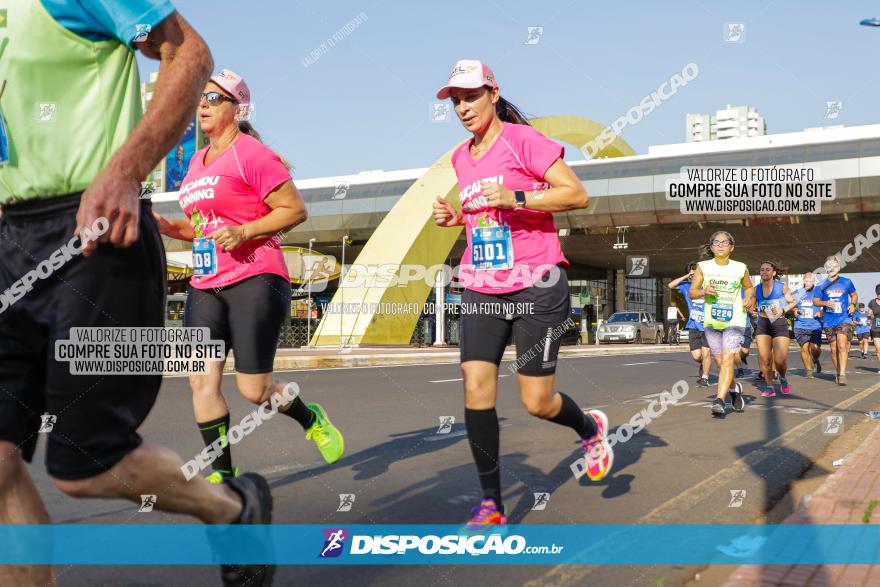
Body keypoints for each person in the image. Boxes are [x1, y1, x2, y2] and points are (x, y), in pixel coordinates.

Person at [0, 4, 273, 586]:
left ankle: (234, 510)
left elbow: (189, 52)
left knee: (84, 465)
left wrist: (126, 170)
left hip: (95, 228)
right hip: (8, 241)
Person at [432, 59, 612, 531]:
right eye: (456, 100)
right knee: (476, 387)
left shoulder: (523, 141)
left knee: (537, 401)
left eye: (471, 96)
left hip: (537, 282)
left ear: (493, 93)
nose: (463, 107)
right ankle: (490, 504)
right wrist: (458, 218)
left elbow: (575, 195)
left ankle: (590, 429)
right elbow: (482, 212)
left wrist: (516, 198)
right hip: (481, 284)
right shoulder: (460, 156)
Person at [154, 69, 344, 483]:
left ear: (237, 108)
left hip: (255, 277)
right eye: (200, 98)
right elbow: (202, 227)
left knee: (254, 390)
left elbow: (294, 210)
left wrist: (245, 231)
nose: (202, 104)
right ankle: (223, 474)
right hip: (206, 283)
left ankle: (311, 418)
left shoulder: (252, 155)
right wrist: (168, 228)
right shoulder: (195, 168)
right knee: (201, 383)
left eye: (214, 98)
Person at [690, 231, 755, 417]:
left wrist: (749, 298)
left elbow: (749, 287)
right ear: (711, 247)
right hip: (712, 321)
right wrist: (704, 291)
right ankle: (735, 390)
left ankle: (719, 400)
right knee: (720, 363)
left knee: (727, 360)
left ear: (731, 247)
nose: (720, 245)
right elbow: (693, 292)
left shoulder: (740, 268)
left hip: (734, 320)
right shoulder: (702, 267)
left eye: (724, 242)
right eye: (716, 242)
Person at [751, 261, 796, 397]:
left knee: (779, 360)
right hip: (763, 324)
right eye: (762, 270)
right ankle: (769, 386)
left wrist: (783, 309)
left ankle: (782, 377)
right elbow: (751, 305)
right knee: (765, 359)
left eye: (767, 270)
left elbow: (793, 302)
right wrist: (752, 310)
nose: (764, 272)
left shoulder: (781, 287)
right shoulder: (756, 289)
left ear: (774, 273)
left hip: (779, 324)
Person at [813, 257, 858, 386]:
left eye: (834, 264)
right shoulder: (821, 285)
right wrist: (825, 302)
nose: (832, 267)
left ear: (839, 266)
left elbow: (854, 295)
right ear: (826, 267)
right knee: (833, 349)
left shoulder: (846, 282)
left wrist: (853, 304)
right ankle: (838, 372)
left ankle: (843, 374)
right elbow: (815, 301)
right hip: (829, 320)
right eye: (829, 265)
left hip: (844, 318)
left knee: (842, 345)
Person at [668, 263, 711, 386]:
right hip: (693, 326)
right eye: (692, 274)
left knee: (706, 353)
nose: (694, 276)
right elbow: (671, 285)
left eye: (696, 273)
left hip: (708, 326)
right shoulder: (686, 286)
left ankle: (705, 377)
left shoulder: (707, 286)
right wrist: (687, 275)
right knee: (697, 356)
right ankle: (704, 364)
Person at [792, 272, 823, 378]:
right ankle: (809, 371)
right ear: (803, 281)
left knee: (815, 348)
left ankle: (816, 359)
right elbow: (792, 304)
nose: (808, 283)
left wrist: (821, 312)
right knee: (804, 348)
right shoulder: (797, 292)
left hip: (815, 325)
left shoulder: (819, 291)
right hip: (800, 325)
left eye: (810, 281)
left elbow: (826, 305)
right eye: (806, 281)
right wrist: (795, 309)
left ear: (814, 282)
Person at [867, 285, 880, 374]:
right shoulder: (872, 302)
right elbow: (869, 315)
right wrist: (868, 327)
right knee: (878, 349)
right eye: (878, 293)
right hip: (875, 328)